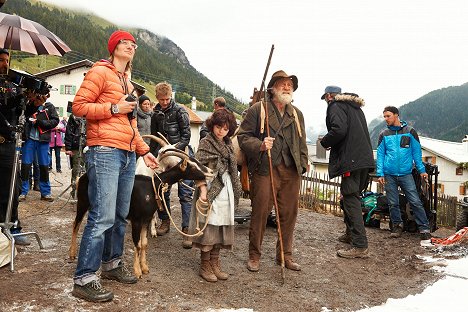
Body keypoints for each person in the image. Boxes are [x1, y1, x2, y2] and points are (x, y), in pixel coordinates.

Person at [71, 30, 158, 303]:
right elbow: (78, 106)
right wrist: (112, 108)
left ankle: (111, 264)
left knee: (121, 214)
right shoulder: (100, 72)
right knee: (102, 215)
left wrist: (144, 151)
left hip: (128, 154)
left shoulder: (128, 83)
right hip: (105, 151)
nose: (131, 46)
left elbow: (131, 123)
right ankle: (84, 278)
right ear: (113, 47)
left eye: (133, 44)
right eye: (124, 42)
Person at [237, 70, 308, 272]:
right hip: (266, 169)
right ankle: (254, 255)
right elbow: (243, 137)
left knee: (289, 214)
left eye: (290, 85)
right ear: (273, 87)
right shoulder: (257, 110)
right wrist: (260, 145)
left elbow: (302, 142)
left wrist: (302, 163)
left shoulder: (296, 114)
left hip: (291, 171)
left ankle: (285, 256)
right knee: (260, 213)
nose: (287, 87)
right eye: (283, 84)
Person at [320, 86, 375, 259]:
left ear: (329, 96)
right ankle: (350, 234)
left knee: (350, 197)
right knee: (351, 197)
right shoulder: (355, 108)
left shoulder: (335, 105)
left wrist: (325, 141)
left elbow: (339, 130)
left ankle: (360, 245)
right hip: (363, 159)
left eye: (325, 98)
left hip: (351, 159)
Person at [188, 108, 241, 282]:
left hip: (225, 188)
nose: (221, 131)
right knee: (209, 225)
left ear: (229, 130)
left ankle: (215, 263)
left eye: (225, 129)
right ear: (213, 126)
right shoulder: (205, 142)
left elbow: (232, 169)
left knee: (221, 224)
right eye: (218, 127)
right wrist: (203, 189)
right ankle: (205, 265)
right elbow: (196, 167)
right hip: (210, 189)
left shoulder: (228, 145)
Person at [376, 106, 431, 242]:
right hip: (389, 174)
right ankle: (397, 226)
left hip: (406, 174)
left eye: (388, 116)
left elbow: (416, 153)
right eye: (384, 117)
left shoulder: (410, 132)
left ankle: (424, 228)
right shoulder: (384, 134)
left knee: (415, 201)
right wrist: (380, 173)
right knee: (393, 203)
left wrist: (422, 170)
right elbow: (380, 155)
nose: (386, 119)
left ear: (396, 115)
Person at [150, 81, 194, 248]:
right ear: (158, 98)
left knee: (185, 194)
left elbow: (186, 136)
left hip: (181, 156)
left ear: (171, 96)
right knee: (161, 191)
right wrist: (150, 156)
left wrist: (174, 149)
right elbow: (154, 139)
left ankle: (186, 229)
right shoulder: (155, 114)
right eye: (162, 100)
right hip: (164, 158)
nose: (165, 102)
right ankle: (165, 221)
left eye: (167, 99)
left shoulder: (180, 111)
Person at [0, 48, 30, 245]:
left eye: (6, 60)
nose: (5, 64)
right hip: (4, 137)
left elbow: (20, 113)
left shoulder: (13, 85)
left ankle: (13, 226)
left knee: (13, 187)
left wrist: (29, 101)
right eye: (1, 60)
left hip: (10, 145)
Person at [19, 90, 59, 202]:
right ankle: (23, 191)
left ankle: (45, 192)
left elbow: (55, 121)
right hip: (29, 140)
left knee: (44, 166)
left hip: (43, 141)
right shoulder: (29, 105)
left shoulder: (49, 106)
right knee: (25, 166)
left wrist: (40, 122)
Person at [64, 114, 86, 199]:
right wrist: (68, 148)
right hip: (77, 147)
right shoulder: (74, 115)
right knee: (77, 170)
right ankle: (75, 192)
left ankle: (86, 194)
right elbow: (69, 131)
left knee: (88, 171)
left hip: (91, 146)